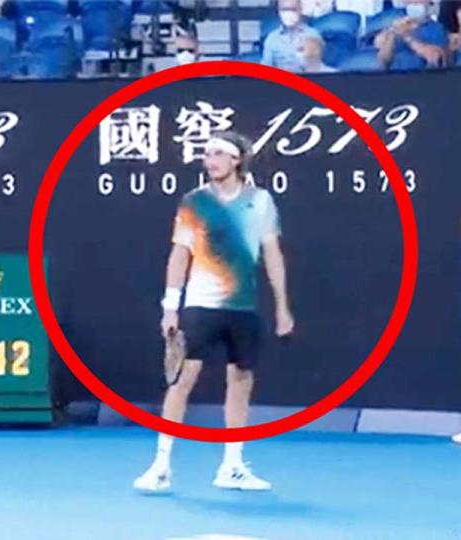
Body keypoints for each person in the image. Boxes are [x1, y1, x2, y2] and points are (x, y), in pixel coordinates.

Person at [133, 131, 295, 493]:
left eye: (218, 154)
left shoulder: (261, 201)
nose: (211, 161)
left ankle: (232, 466)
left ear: (237, 160)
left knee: (240, 382)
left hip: (243, 308)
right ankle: (160, 466)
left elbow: (272, 255)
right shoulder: (194, 202)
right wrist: (170, 308)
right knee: (181, 381)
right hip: (199, 307)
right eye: (207, 154)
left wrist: (282, 306)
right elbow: (179, 255)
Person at [375, 0, 449, 69]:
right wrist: (393, 34)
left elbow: (435, 58)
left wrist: (407, 37)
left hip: (421, 78)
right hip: (394, 78)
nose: (414, 2)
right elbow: (382, 62)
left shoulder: (437, 28)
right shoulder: (398, 27)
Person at [262, 0, 323, 72]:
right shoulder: (272, 39)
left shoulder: (313, 35)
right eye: (284, 10)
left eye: (292, 9)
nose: (288, 14)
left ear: (300, 10)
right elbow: (265, 70)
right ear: (278, 12)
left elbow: (316, 70)